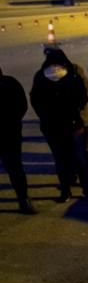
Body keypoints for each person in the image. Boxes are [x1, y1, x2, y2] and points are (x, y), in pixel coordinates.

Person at [30, 48, 88, 201]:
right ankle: (87, 188)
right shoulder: (73, 74)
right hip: (74, 124)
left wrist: (46, 116)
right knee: (81, 157)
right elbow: (83, 95)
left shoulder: (40, 76)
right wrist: (75, 112)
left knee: (60, 159)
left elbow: (35, 101)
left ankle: (66, 191)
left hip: (52, 126)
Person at [0, 65, 36, 214]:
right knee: (15, 168)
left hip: (10, 132)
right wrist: (15, 121)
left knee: (14, 167)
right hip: (11, 133)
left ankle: (24, 199)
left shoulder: (9, 83)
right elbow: (22, 105)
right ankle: (23, 199)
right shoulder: (10, 82)